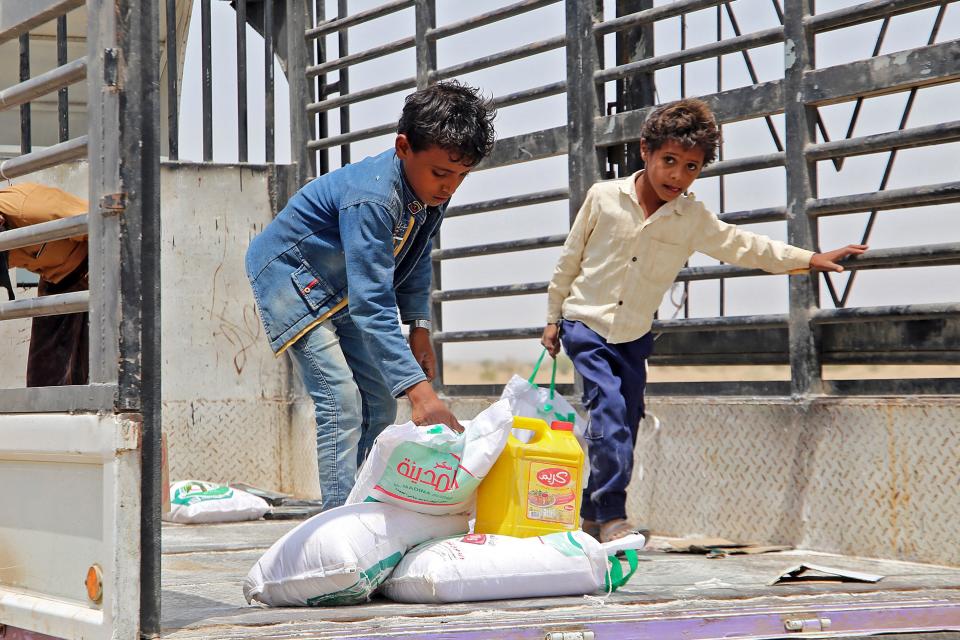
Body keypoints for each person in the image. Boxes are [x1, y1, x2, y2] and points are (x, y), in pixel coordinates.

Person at [540, 98, 867, 543]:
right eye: (669, 161)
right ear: (645, 151)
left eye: (691, 167)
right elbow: (569, 259)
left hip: (633, 336)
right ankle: (614, 513)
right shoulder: (603, 197)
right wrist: (552, 317)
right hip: (586, 324)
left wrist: (809, 258)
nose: (677, 175)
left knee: (628, 417)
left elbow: (745, 246)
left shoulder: (690, 218)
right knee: (610, 411)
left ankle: (590, 513)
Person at [246, 81, 496, 510]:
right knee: (341, 402)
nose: (449, 187)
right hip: (293, 278)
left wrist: (419, 327)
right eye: (441, 173)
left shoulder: (430, 191)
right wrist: (420, 392)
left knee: (380, 402)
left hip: (343, 285)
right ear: (403, 147)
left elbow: (416, 256)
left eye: (461, 176)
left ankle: (362, 506)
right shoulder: (374, 198)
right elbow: (371, 304)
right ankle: (339, 526)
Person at [0, 183, 89, 387]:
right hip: (54, 278)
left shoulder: (35, 209)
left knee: (88, 369)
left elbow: (103, 225)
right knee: (43, 377)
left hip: (91, 268)